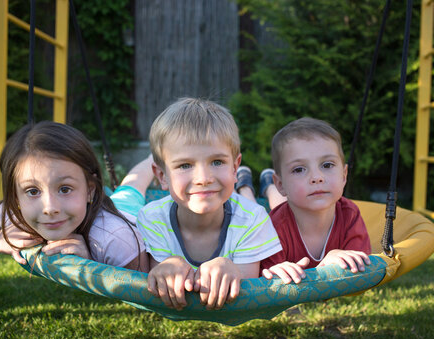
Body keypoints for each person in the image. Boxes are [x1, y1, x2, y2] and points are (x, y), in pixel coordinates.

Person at [0, 121, 149, 272]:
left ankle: (152, 158)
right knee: (130, 186)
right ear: (17, 197)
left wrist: (92, 263)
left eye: (65, 189)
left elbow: (143, 284)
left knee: (132, 187)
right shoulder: (17, 214)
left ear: (90, 190)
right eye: (33, 191)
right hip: (96, 205)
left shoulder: (113, 236)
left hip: (125, 211)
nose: (49, 207)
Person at [137, 98, 282, 310]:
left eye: (217, 162)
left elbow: (247, 295)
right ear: (162, 176)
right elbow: (163, 285)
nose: (203, 178)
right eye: (185, 165)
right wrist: (168, 266)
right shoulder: (151, 219)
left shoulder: (253, 219)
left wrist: (233, 270)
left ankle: (248, 185)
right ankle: (247, 185)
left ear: (234, 167)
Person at [236, 117, 371, 284]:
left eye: (327, 165)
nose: (316, 177)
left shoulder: (349, 214)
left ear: (344, 175)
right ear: (281, 183)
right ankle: (244, 187)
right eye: (299, 169)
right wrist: (324, 268)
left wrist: (329, 266)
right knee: (253, 210)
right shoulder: (270, 228)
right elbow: (267, 283)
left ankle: (267, 186)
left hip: (291, 207)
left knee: (290, 202)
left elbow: (363, 276)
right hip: (279, 214)